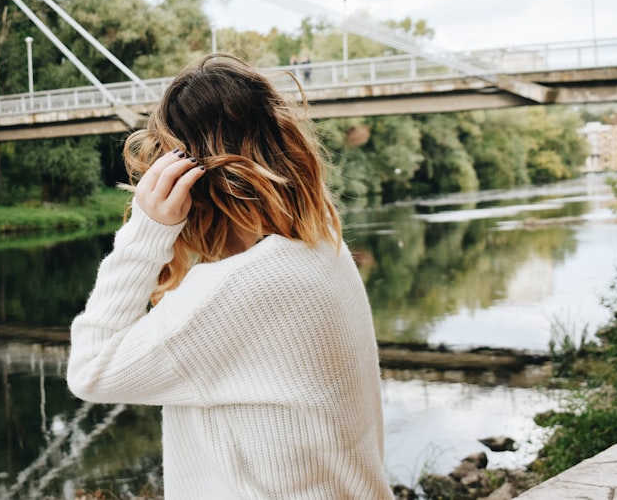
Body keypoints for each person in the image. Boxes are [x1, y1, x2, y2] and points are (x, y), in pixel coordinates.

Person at [67, 53, 391, 499]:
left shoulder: (243, 286)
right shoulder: (323, 246)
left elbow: (89, 371)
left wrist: (145, 233)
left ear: (184, 178)